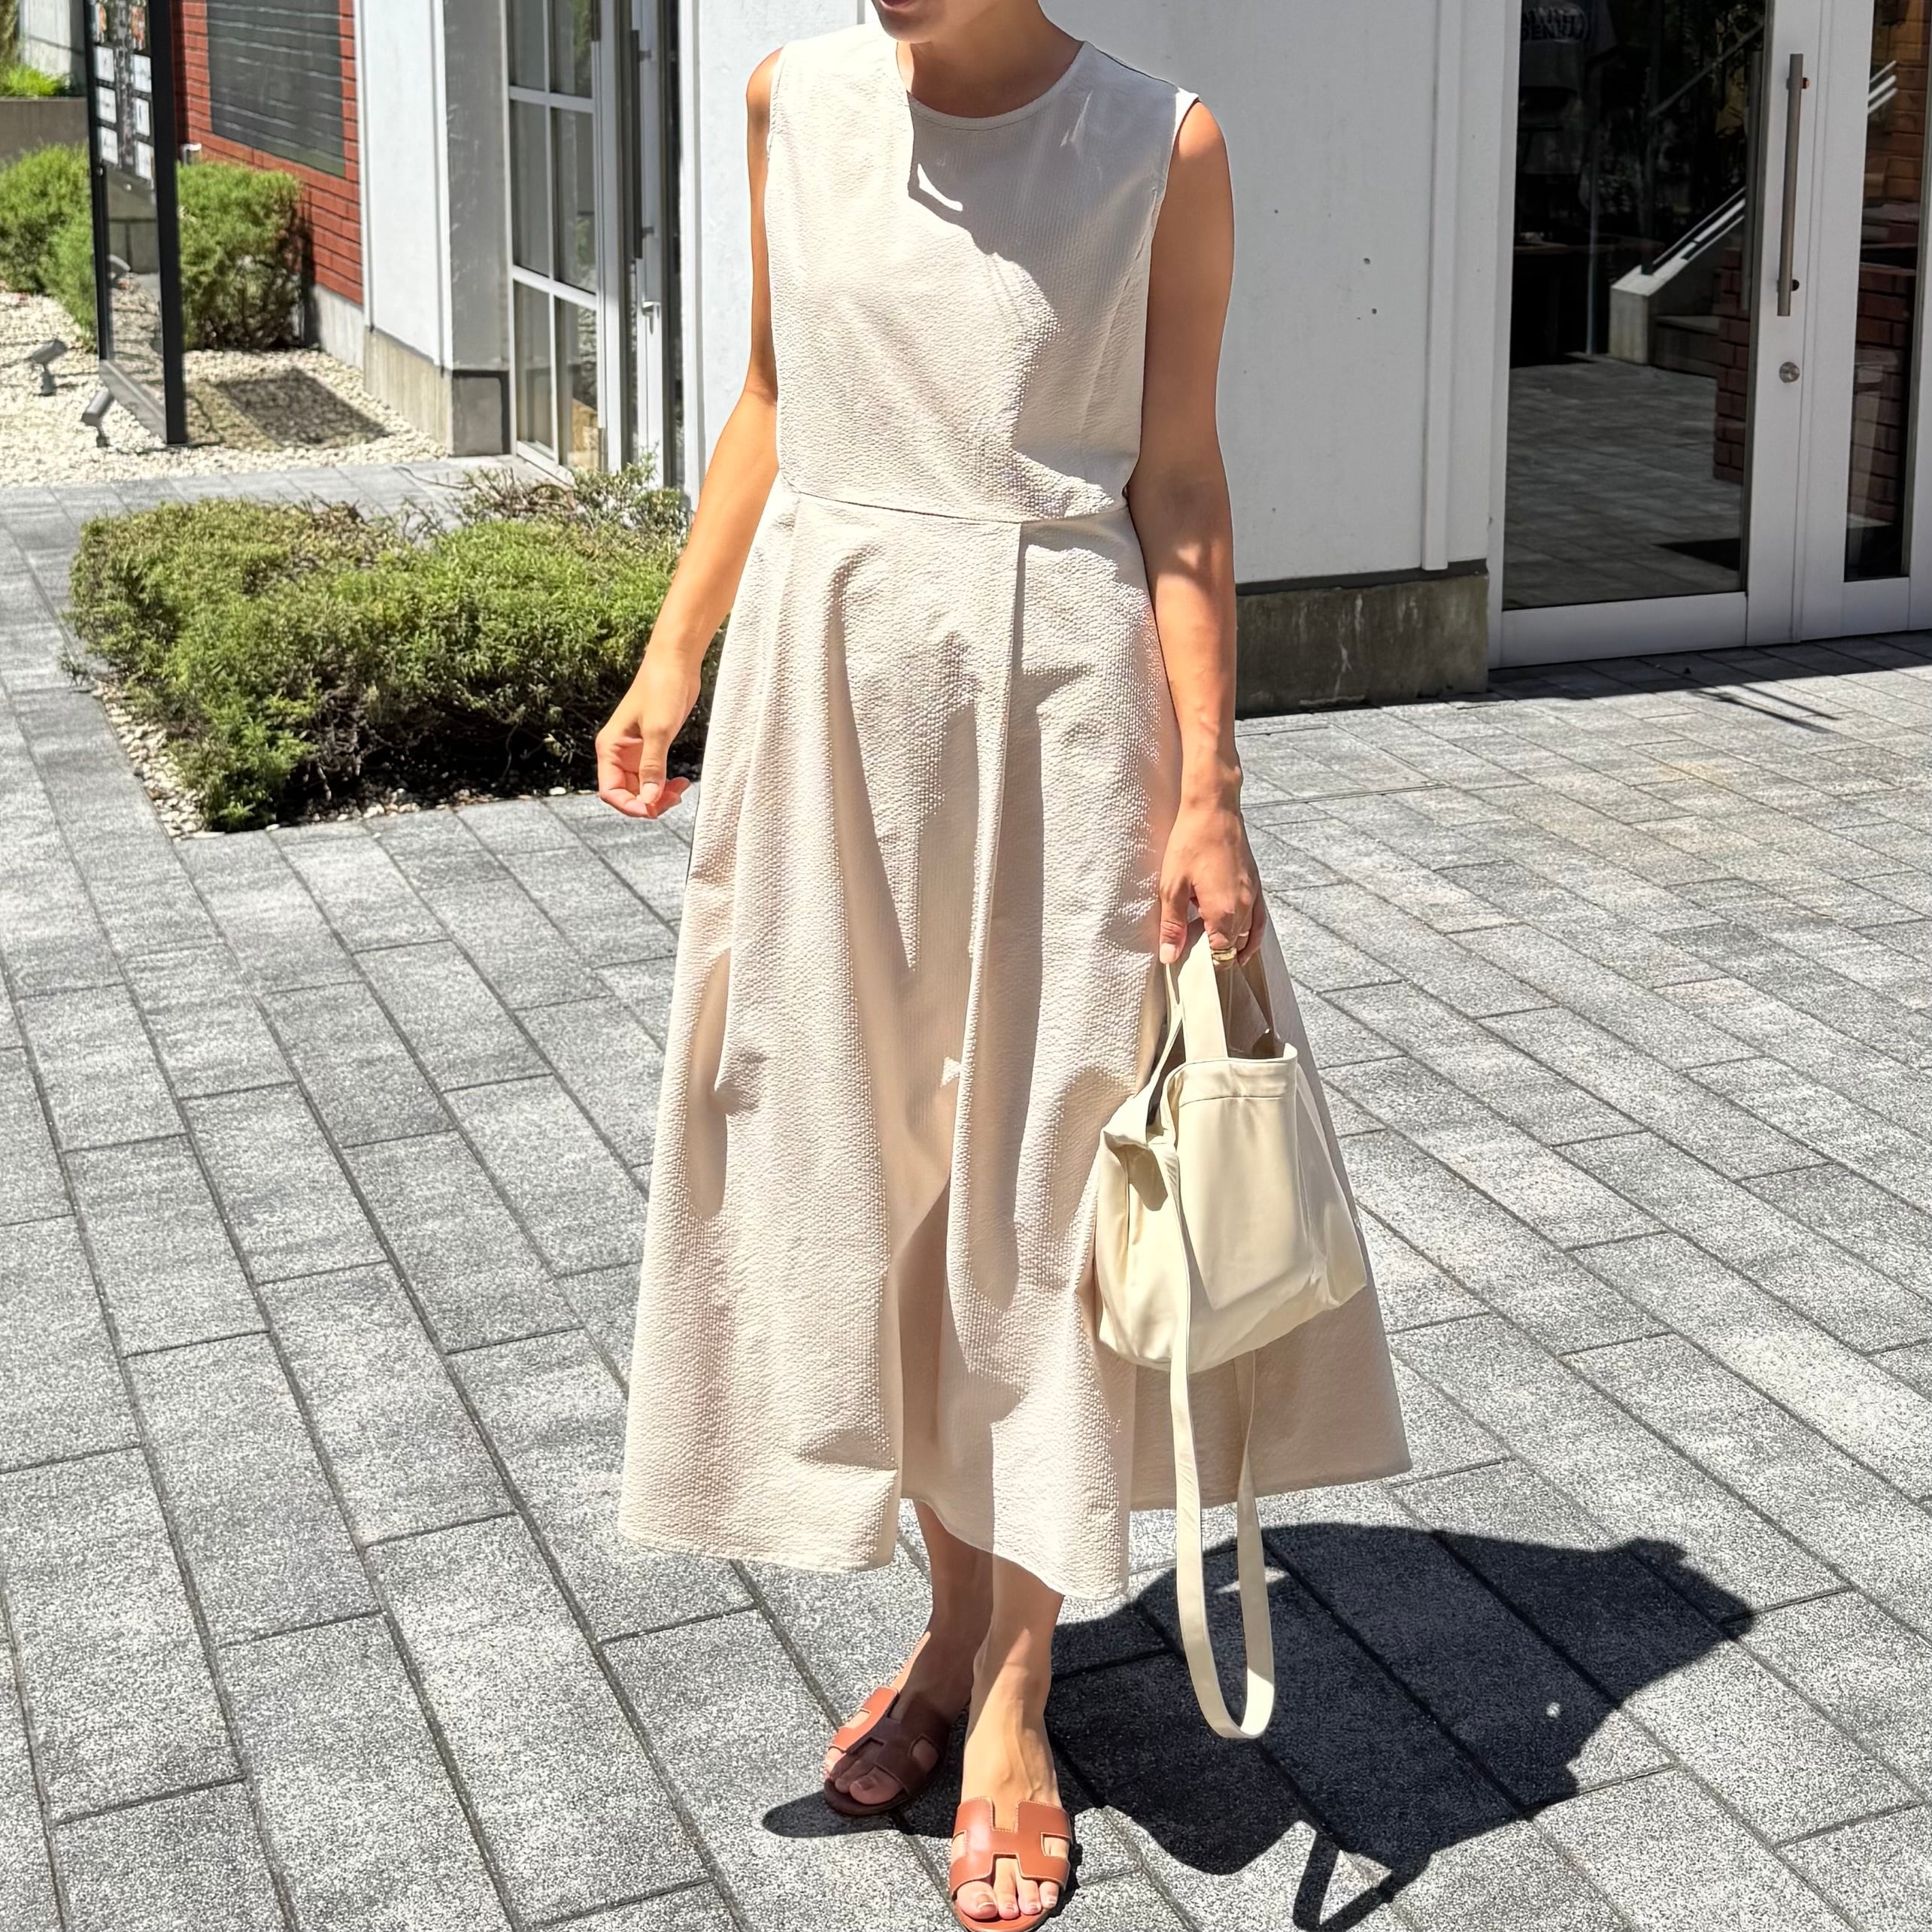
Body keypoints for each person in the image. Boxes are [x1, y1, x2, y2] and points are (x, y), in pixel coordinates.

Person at [597, 3, 1408, 1924]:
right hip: (828, 694)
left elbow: (1179, 484)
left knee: (1041, 1192)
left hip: (1060, 705)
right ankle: (950, 1627)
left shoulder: (1160, 145)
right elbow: (773, 397)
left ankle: (1020, 1689)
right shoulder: (790, 97)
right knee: (861, 1174)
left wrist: (1210, 788)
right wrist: (672, 652)